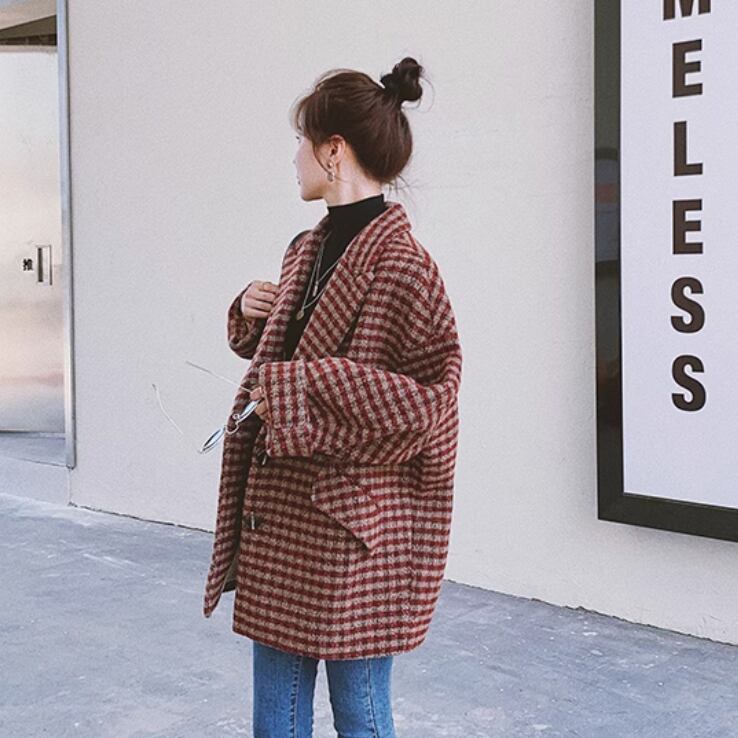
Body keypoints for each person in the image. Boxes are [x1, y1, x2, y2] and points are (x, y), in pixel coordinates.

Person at [202, 56, 463, 738]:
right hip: (283, 520)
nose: (294, 157)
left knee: (361, 715)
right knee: (275, 719)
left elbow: (430, 405)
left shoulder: (405, 267)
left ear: (333, 150)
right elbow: (292, 353)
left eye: (301, 141)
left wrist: (302, 388)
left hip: (353, 533)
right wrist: (252, 313)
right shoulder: (305, 249)